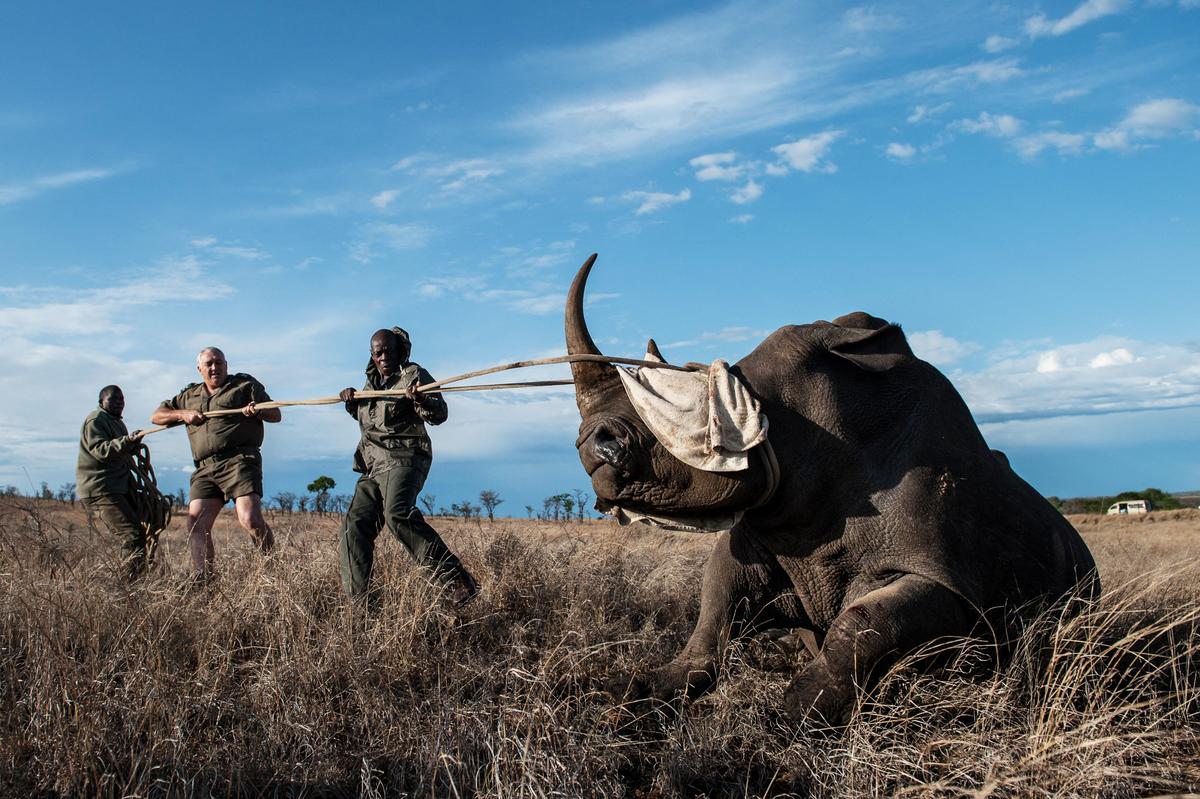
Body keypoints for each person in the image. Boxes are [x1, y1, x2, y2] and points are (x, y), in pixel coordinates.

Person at [338, 327, 478, 607]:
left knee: (397, 513)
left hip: (405, 456)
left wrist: (422, 399)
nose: (384, 356)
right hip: (372, 464)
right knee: (353, 526)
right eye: (378, 352)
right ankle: (360, 605)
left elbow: (440, 414)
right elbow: (371, 421)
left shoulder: (414, 375)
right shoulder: (369, 386)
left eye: (389, 350)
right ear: (372, 356)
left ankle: (456, 580)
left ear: (401, 350)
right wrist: (351, 403)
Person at [150, 347, 280, 580]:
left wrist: (257, 411)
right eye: (209, 364)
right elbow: (157, 416)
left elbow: (276, 413)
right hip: (205, 468)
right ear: (199, 369)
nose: (214, 368)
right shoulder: (189, 395)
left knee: (249, 518)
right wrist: (182, 414)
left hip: (239, 461)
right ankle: (204, 578)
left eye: (218, 363)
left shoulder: (244, 386)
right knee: (195, 523)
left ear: (226, 365)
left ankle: (272, 571)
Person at [77, 385, 150, 580]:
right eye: (113, 399)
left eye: (121, 399)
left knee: (143, 527)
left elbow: (121, 451)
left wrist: (132, 443)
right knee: (133, 535)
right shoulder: (96, 420)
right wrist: (126, 441)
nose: (119, 402)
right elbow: (100, 450)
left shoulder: (116, 422)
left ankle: (136, 577)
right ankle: (125, 584)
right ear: (102, 402)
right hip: (102, 488)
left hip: (117, 486)